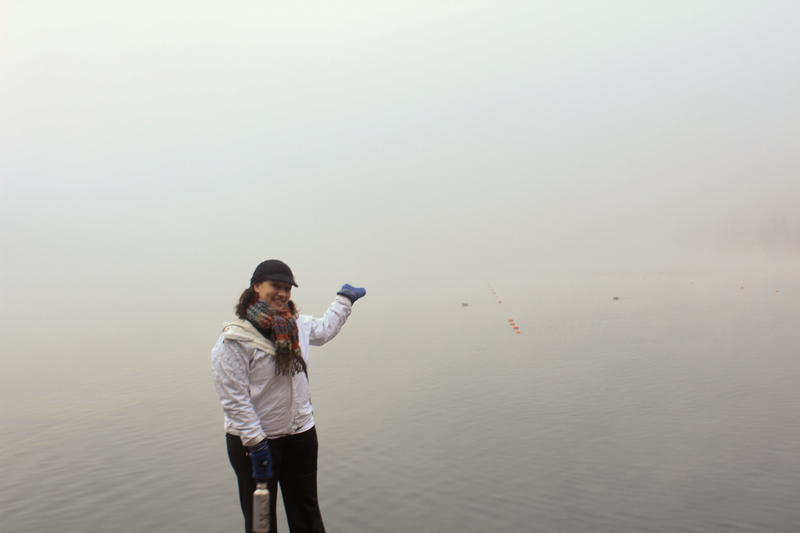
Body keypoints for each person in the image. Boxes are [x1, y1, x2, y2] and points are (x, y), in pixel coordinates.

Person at [211, 259, 366, 533]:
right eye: (275, 286)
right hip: (254, 443)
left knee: (306, 514)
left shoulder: (297, 326)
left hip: (300, 435)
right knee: (261, 521)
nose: (282, 293)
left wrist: (344, 300)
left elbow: (325, 329)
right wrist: (256, 444)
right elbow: (234, 399)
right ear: (257, 287)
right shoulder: (234, 341)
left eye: (287, 288)